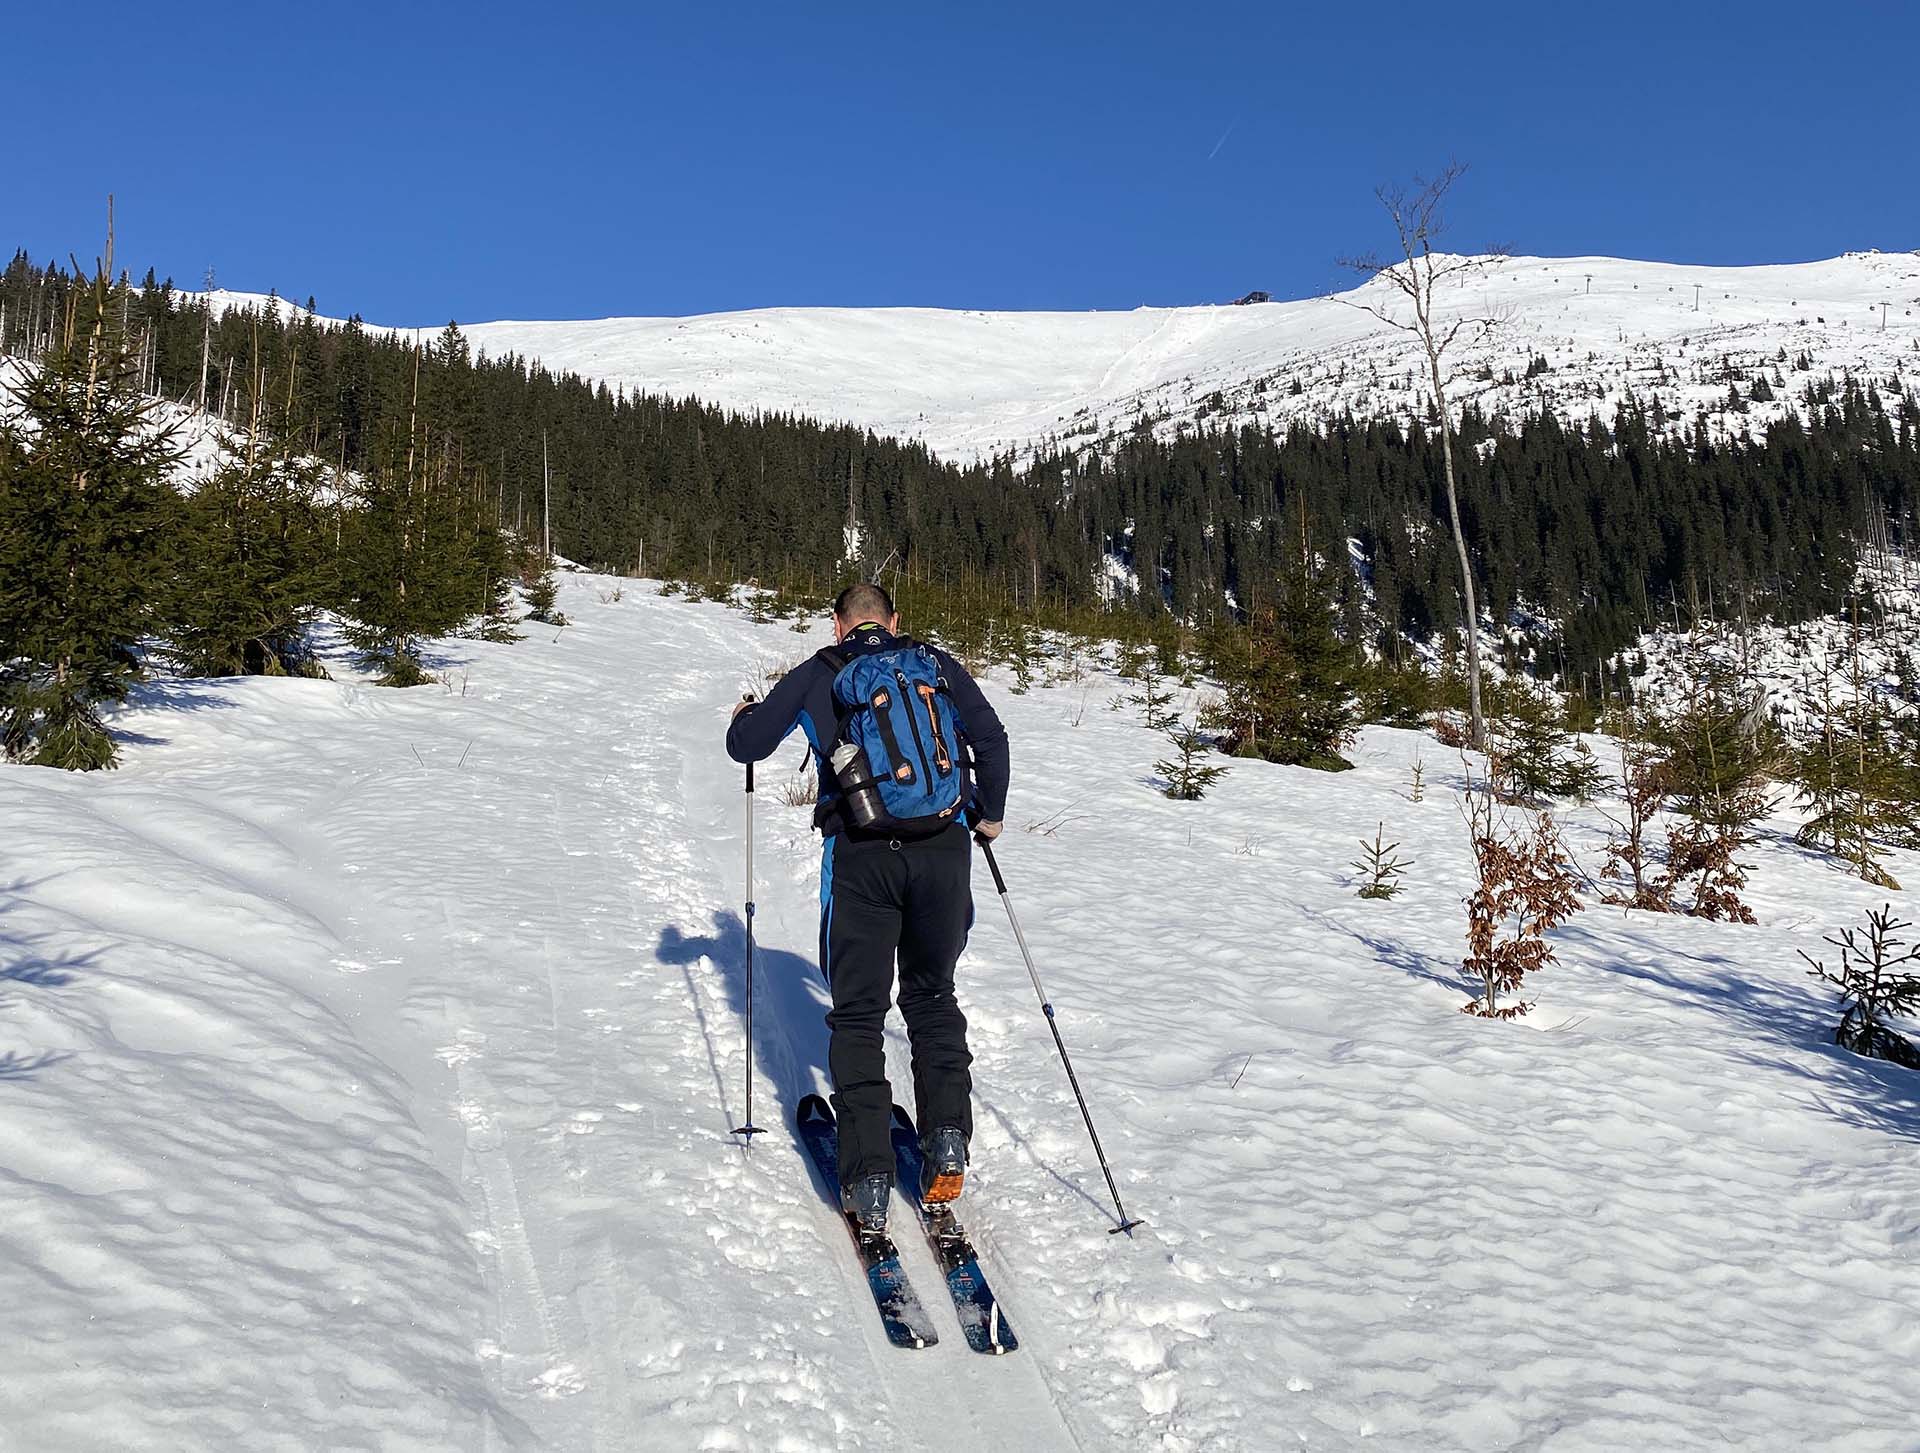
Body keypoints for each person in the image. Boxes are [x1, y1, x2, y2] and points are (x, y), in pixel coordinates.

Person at [726, 582, 1009, 1232]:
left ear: (838, 625)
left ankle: (869, 1177)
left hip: (863, 858)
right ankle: (945, 1142)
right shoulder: (932, 664)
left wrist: (743, 714)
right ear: (893, 620)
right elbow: (991, 739)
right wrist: (988, 816)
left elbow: (748, 746)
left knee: (857, 1015)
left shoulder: (819, 675)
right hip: (944, 852)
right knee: (932, 995)